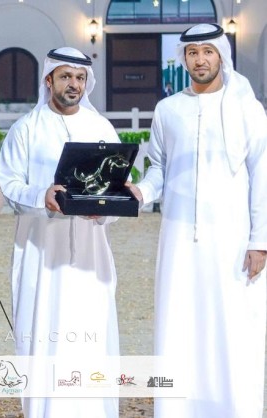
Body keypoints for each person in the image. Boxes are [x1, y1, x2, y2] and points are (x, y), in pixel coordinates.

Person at [129, 23, 267, 417]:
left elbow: (262, 174)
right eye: (192, 53)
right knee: (180, 324)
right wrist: (141, 192)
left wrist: (260, 240)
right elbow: (159, 168)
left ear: (221, 55)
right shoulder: (168, 109)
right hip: (178, 239)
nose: (200, 60)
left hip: (233, 239)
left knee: (233, 327)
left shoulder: (247, 107)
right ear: (184, 59)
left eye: (207, 52)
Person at [0, 47, 121, 417]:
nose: (74, 84)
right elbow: (9, 184)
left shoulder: (101, 128)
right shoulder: (26, 129)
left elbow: (115, 186)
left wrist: (104, 212)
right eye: (66, 76)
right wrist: (42, 196)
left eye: (80, 78)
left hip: (91, 252)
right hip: (42, 254)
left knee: (91, 336)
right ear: (49, 80)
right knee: (43, 335)